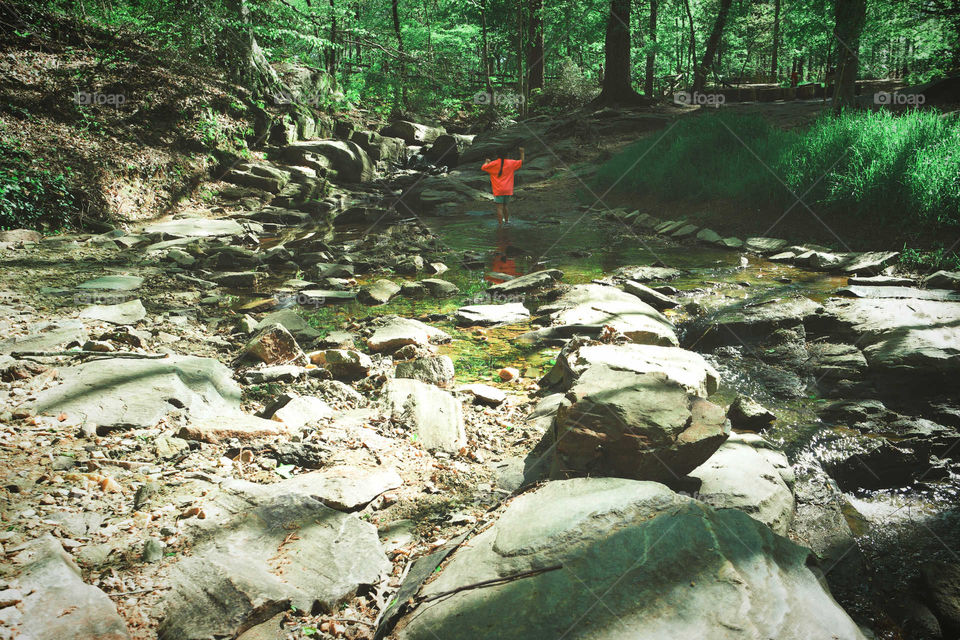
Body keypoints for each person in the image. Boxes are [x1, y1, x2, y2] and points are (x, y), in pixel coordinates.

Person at [481, 146, 524, 225]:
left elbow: (483, 168)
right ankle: (507, 221)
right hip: (508, 190)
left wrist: (487, 162)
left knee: (499, 208)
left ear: (497, 155)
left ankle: (500, 225)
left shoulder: (494, 163)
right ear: (507, 155)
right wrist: (522, 153)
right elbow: (521, 162)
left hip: (498, 190)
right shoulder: (511, 163)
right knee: (505, 206)